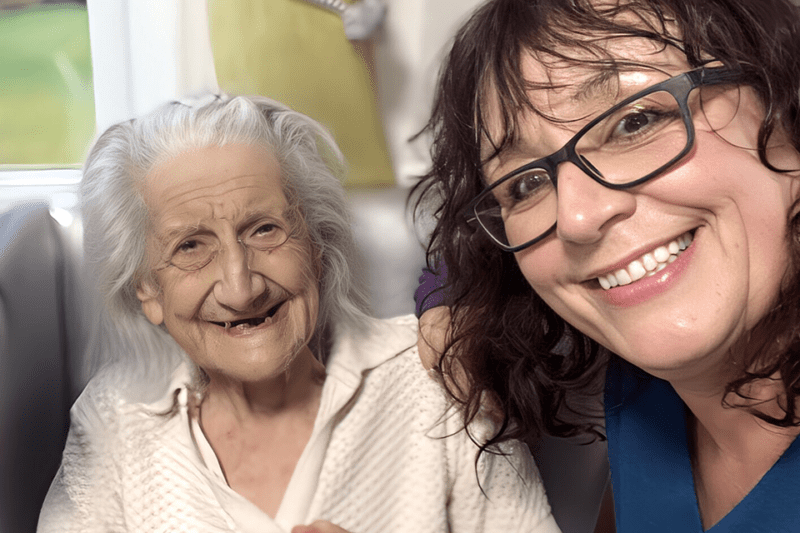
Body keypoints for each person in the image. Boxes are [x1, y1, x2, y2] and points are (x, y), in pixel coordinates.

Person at [37, 95, 560, 533]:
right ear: (147, 290)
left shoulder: (435, 377)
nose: (241, 289)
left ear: (315, 246)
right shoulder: (114, 419)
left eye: (264, 229)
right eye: (191, 246)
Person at [412, 0, 800, 531]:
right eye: (525, 183)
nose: (577, 216)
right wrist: (447, 304)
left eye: (635, 122)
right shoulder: (640, 386)